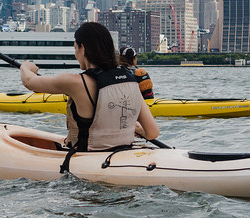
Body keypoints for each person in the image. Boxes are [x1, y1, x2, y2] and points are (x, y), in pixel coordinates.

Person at [20, 22, 160, 152]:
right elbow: (153, 133)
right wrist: (135, 129)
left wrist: (25, 67)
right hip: (123, 155)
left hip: (86, 160)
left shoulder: (75, 82)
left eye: (75, 48)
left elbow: (29, 82)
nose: (75, 54)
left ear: (83, 48)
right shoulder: (131, 80)